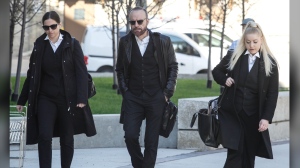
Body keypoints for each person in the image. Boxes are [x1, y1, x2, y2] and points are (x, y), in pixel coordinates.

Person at [16, 11, 96, 168]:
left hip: (67, 98)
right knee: (44, 135)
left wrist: (82, 97)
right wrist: (22, 99)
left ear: (60, 25)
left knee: (67, 137)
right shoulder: (39, 46)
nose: (50, 31)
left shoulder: (72, 44)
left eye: (53, 26)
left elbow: (81, 73)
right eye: (46, 28)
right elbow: (32, 75)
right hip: (45, 98)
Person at [116, 6, 178, 168]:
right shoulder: (125, 42)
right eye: (132, 22)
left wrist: (166, 94)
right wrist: (125, 92)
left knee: (151, 141)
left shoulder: (163, 41)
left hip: (156, 97)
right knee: (130, 136)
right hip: (133, 97)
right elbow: (120, 69)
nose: (136, 25)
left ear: (147, 21)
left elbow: (173, 67)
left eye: (140, 21)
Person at [212, 21, 279, 168]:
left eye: (255, 42)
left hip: (254, 116)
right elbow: (216, 71)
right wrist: (225, 79)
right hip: (233, 114)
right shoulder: (235, 56)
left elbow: (273, 94)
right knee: (234, 154)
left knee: (249, 155)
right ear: (244, 41)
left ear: (261, 40)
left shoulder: (270, 63)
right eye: (248, 42)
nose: (252, 45)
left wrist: (266, 118)